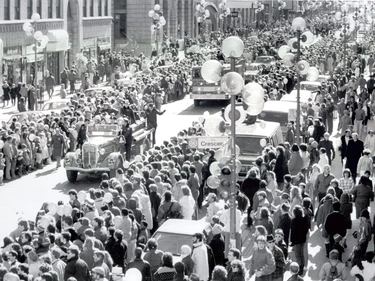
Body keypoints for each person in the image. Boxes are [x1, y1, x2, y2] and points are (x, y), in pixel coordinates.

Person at [290, 205, 309, 275]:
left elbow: (292, 232)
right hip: (302, 240)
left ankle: (299, 269)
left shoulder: (293, 221)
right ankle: (302, 267)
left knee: (297, 255)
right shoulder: (304, 219)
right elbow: (306, 230)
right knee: (302, 254)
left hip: (296, 241)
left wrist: (291, 241)